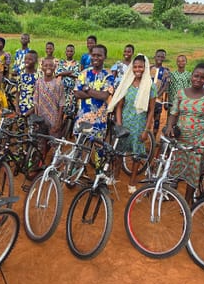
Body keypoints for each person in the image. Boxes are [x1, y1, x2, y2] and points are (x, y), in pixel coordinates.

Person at [165, 62, 204, 204]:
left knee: (194, 171)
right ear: (192, 75)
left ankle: (188, 202)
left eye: (203, 77)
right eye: (196, 76)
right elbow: (173, 113)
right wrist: (170, 126)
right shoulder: (181, 93)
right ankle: (171, 193)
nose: (198, 80)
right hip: (180, 137)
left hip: (199, 139)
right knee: (177, 165)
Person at [110, 55, 157, 193]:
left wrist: (146, 130)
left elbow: (151, 111)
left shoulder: (150, 86)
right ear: (132, 68)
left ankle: (132, 182)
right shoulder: (126, 83)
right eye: (135, 66)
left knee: (136, 156)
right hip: (125, 122)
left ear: (145, 68)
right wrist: (119, 125)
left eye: (140, 67)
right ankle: (115, 176)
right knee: (118, 152)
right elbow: (119, 106)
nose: (138, 69)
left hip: (139, 125)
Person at [73, 44, 115, 137]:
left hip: (99, 121)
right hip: (81, 118)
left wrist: (87, 89)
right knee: (79, 149)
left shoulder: (108, 76)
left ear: (105, 57)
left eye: (99, 55)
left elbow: (104, 96)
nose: (95, 58)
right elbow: (76, 94)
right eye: (93, 55)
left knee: (97, 149)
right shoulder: (83, 73)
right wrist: (96, 93)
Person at [35, 55, 65, 137]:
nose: (48, 67)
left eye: (51, 65)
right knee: (41, 141)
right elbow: (36, 102)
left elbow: (61, 104)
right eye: (45, 65)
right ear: (42, 67)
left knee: (53, 141)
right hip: (41, 117)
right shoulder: (38, 82)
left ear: (54, 67)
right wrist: (36, 119)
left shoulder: (59, 83)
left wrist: (58, 121)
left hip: (54, 118)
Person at [150, 49, 170, 133]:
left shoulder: (166, 71)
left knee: (157, 117)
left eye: (162, 57)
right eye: (158, 56)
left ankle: (154, 137)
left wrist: (158, 94)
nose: (160, 58)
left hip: (158, 98)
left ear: (164, 58)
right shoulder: (150, 68)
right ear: (154, 57)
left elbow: (166, 85)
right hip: (147, 97)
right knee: (146, 116)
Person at [56, 44, 79, 117]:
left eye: (71, 51)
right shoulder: (61, 62)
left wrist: (64, 73)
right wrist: (70, 72)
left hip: (72, 90)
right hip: (62, 89)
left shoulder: (77, 63)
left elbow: (77, 75)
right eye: (68, 51)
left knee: (70, 109)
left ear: (74, 52)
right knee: (60, 108)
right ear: (65, 52)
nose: (69, 53)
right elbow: (57, 73)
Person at [17, 50, 39, 117]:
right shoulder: (21, 75)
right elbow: (18, 92)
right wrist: (17, 108)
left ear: (35, 61)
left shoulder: (39, 76)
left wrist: (32, 110)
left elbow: (40, 97)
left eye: (30, 59)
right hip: (21, 109)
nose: (27, 61)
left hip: (33, 109)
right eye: (26, 59)